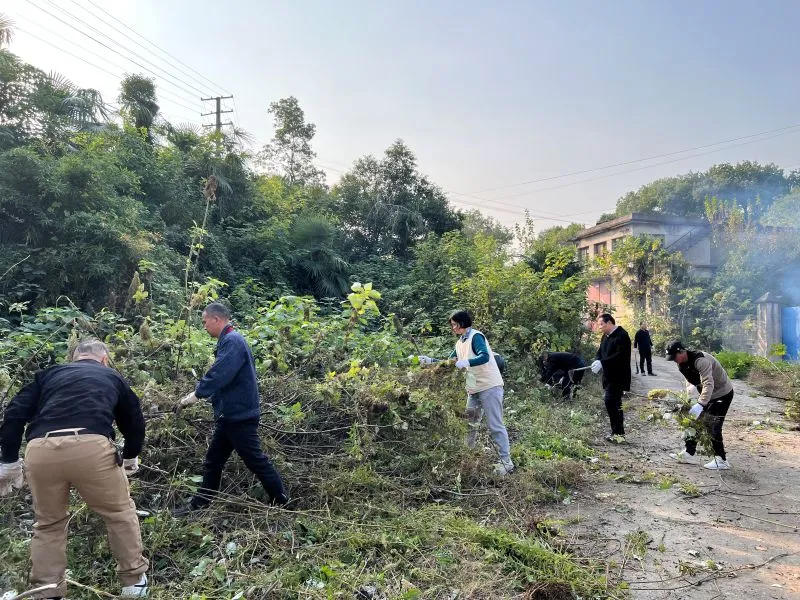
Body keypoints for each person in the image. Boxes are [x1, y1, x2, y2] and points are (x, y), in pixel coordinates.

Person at [0, 340, 149, 599]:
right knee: (118, 513)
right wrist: (130, 457)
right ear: (104, 359)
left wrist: (9, 460)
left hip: (41, 449)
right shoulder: (111, 376)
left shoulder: (49, 375)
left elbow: (14, 413)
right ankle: (133, 581)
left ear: (75, 357)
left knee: (48, 523)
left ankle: (47, 590)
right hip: (91, 447)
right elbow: (134, 420)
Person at [173, 302, 288, 514]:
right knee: (213, 461)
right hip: (229, 416)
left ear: (216, 319)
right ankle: (200, 504)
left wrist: (194, 396)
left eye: (205, 322)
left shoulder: (233, 341)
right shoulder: (229, 340)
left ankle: (281, 501)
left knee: (255, 460)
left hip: (239, 417)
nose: (204, 326)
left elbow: (219, 374)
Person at [418, 310, 514, 475]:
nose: (453, 328)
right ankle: (466, 456)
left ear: (463, 323)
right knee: (469, 425)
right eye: (452, 325)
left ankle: (506, 462)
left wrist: (465, 362)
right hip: (473, 389)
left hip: (489, 386)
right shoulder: (459, 343)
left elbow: (484, 357)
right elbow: (449, 363)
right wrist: (430, 361)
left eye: (455, 324)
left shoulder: (476, 337)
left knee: (495, 425)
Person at [665, 341, 734, 470]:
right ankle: (689, 453)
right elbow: (690, 379)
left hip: (722, 393)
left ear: (682, 351)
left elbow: (708, 383)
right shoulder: (682, 364)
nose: (674, 360)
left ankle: (721, 460)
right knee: (693, 421)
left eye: (675, 357)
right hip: (708, 395)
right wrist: (690, 396)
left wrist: (701, 404)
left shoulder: (701, 360)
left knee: (712, 424)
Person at [591, 313, 631, 443]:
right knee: (615, 404)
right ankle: (618, 433)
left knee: (610, 401)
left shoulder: (622, 336)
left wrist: (603, 363)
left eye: (601, 324)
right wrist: (597, 361)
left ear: (609, 323)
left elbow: (620, 356)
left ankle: (617, 432)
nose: (600, 327)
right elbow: (600, 352)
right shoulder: (605, 336)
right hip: (608, 376)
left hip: (618, 376)